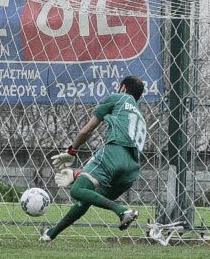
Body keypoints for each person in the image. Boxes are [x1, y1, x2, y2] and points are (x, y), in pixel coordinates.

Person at [42, 76, 148, 242]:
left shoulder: (119, 98)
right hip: (132, 169)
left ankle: (123, 211)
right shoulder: (139, 116)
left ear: (123, 88)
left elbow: (86, 130)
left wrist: (72, 151)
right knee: (86, 198)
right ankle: (50, 234)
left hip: (114, 152)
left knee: (77, 190)